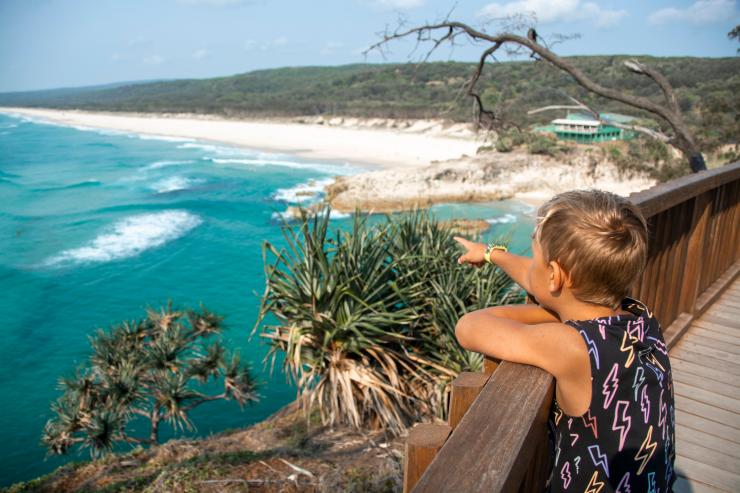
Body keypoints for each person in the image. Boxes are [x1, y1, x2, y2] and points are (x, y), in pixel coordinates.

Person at [454, 189, 675, 492]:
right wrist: (492, 253)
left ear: (555, 276)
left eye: (535, 260)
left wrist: (550, 314)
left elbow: (469, 327)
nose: (530, 267)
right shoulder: (643, 321)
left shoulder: (572, 345)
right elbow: (544, 282)